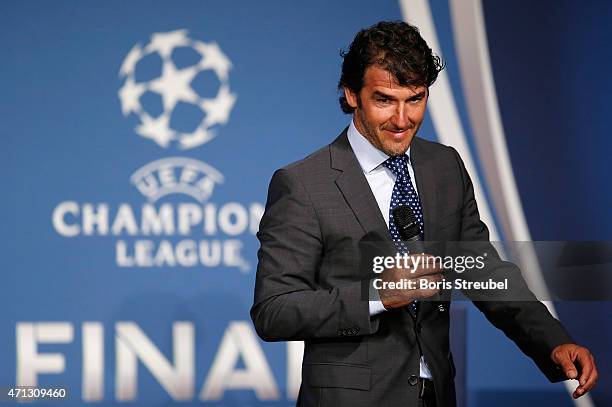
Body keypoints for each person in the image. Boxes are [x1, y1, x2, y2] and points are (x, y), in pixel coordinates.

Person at [250, 21, 597, 406]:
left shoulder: (444, 166)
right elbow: (274, 309)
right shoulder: (304, 184)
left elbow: (484, 270)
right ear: (352, 95)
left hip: (436, 394)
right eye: (384, 100)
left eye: (415, 99)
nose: (402, 120)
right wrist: (377, 294)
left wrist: (553, 341)